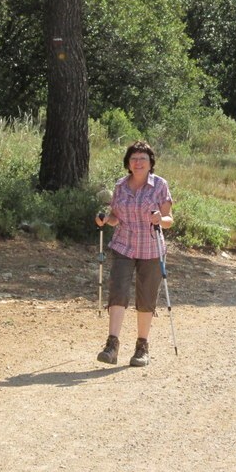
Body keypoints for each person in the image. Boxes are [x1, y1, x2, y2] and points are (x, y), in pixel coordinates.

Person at [95, 141, 173, 367]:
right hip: (124, 245)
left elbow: (169, 220)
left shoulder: (160, 185)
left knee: (146, 298)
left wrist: (160, 219)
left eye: (143, 159)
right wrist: (104, 219)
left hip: (151, 248)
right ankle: (112, 345)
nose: (138, 163)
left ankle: (142, 347)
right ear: (128, 163)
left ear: (150, 163)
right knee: (118, 291)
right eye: (134, 159)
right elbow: (115, 217)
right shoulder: (120, 186)